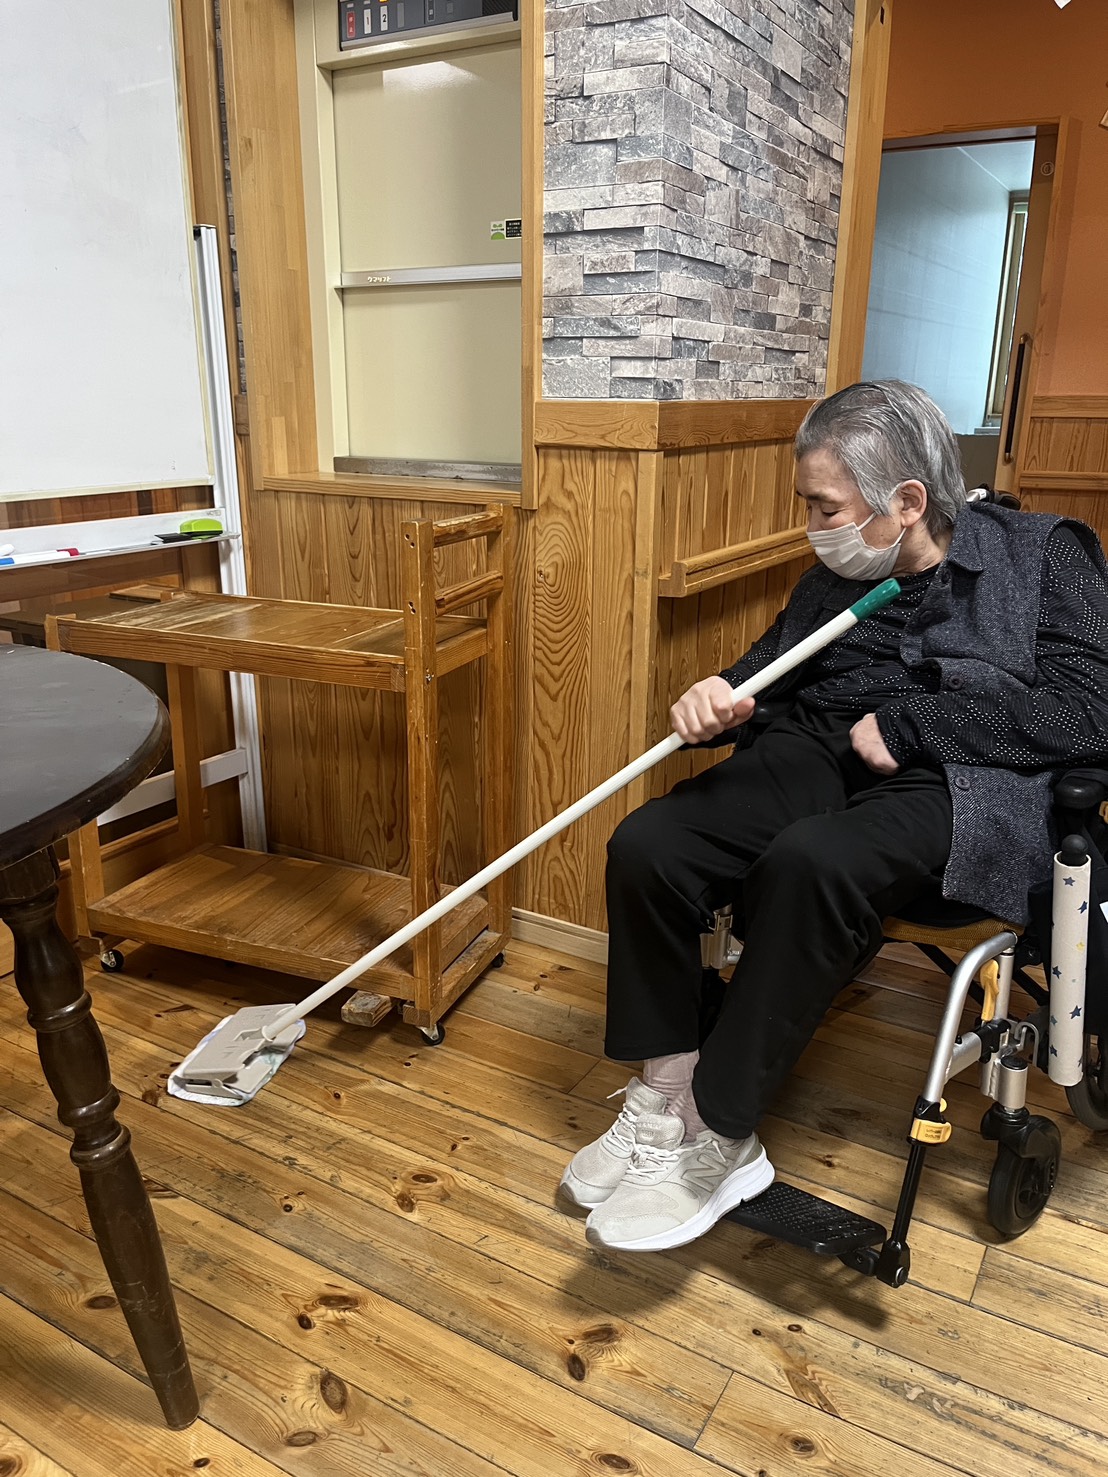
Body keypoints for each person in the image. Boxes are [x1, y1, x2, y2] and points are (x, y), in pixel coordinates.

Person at [560, 379, 1108, 1254]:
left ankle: (717, 1131)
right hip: (818, 747)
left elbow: (1089, 712)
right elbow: (768, 670)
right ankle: (665, 1093)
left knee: (811, 862)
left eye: (825, 507)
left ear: (908, 502)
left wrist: (917, 725)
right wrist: (718, 696)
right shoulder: (835, 579)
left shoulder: (1045, 554)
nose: (814, 526)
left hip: (959, 778)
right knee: (651, 843)